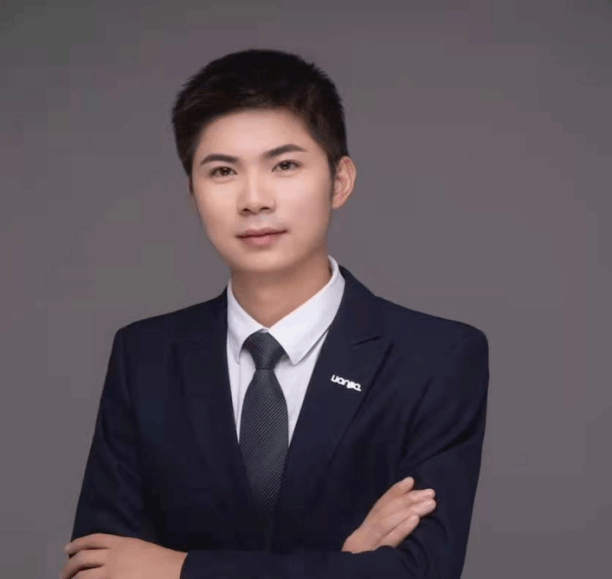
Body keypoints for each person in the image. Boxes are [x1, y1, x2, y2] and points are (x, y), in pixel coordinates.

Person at [61, 48, 489, 579]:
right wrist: (345, 566)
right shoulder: (145, 356)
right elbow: (97, 569)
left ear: (339, 180)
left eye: (284, 165)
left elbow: (419, 573)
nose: (254, 199)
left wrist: (179, 570)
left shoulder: (435, 358)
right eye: (222, 171)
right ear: (193, 193)